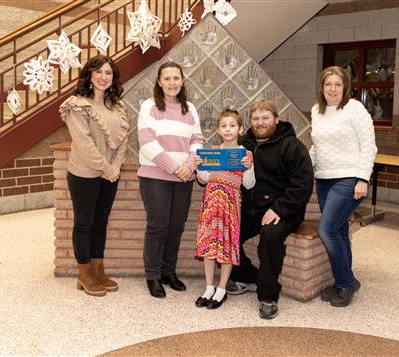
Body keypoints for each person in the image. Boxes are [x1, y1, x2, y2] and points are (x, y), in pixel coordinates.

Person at [227, 100, 313, 319]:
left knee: (270, 236)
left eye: (265, 118)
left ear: (276, 119)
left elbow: (303, 184)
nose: (260, 123)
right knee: (225, 233)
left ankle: (268, 296)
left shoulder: (291, 146)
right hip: (252, 209)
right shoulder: (244, 146)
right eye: (255, 119)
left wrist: (280, 209)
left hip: (283, 209)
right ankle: (248, 278)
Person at [59, 54, 129, 296]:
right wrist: (107, 168)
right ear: (89, 75)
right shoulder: (76, 104)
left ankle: (98, 268)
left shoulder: (117, 107)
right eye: (98, 71)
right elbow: (84, 143)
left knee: (101, 222)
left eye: (108, 73)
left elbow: (123, 141)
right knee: (84, 222)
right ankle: (84, 272)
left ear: (114, 78)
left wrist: (116, 167)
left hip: (110, 174)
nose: (103, 77)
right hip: (84, 173)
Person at [310, 66, 377, 307]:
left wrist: (362, 178)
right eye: (328, 84)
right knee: (338, 230)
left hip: (349, 178)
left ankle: (344, 283)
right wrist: (305, 166)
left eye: (338, 84)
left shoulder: (355, 109)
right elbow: (317, 147)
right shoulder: (317, 111)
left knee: (326, 229)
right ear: (322, 87)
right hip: (324, 178)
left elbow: (369, 145)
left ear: (345, 86)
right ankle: (347, 280)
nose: (333, 89)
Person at [137, 61, 203, 298]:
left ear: (182, 81)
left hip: (184, 178)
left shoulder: (190, 109)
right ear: (159, 82)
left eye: (176, 78)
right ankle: (153, 276)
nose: (172, 83)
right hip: (155, 177)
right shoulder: (150, 106)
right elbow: (147, 142)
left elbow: (197, 140)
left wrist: (188, 166)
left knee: (176, 228)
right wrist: (176, 168)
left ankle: (168, 272)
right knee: (157, 227)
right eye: (167, 78)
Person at [194, 110, 255, 309]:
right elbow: (203, 179)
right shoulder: (212, 152)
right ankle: (209, 287)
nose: (228, 129)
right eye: (223, 126)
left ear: (240, 129)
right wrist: (199, 167)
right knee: (209, 246)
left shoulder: (245, 155)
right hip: (211, 203)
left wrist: (249, 168)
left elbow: (249, 184)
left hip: (230, 206)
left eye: (232, 125)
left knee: (227, 246)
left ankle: (221, 290)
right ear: (218, 129)